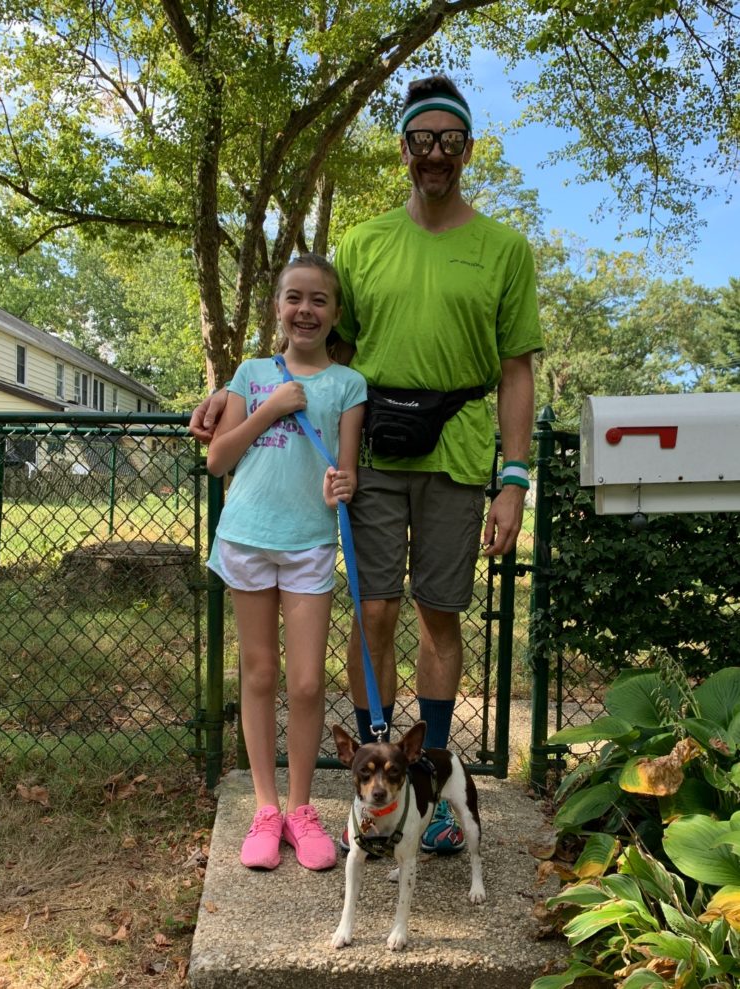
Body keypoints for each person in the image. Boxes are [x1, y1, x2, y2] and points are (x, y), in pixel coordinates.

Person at [192, 73, 543, 855]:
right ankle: (380, 771)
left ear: (468, 148)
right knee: (375, 609)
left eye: (450, 141)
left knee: (439, 613)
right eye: (423, 141)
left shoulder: (504, 250)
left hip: (457, 451)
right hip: (374, 445)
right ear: (405, 149)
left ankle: (438, 783)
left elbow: (517, 368)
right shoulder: (363, 242)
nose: (436, 155)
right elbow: (317, 350)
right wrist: (231, 392)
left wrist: (514, 480)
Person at [205, 253, 367, 871]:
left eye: (319, 300)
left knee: (304, 682)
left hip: (310, 544)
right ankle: (265, 808)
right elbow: (219, 460)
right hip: (247, 536)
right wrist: (270, 407)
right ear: (278, 307)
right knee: (259, 675)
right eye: (294, 298)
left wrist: (341, 487)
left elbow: (345, 469)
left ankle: (302, 809)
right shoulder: (249, 373)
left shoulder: (349, 385)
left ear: (335, 314)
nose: (306, 310)